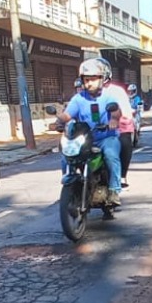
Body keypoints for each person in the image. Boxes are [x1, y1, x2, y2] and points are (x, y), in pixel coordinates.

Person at [56, 58, 123, 207]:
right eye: (86, 80)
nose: (89, 83)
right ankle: (71, 185)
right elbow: (68, 115)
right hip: (84, 139)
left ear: (102, 79)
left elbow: (116, 111)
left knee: (111, 155)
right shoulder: (78, 99)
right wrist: (59, 120)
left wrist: (113, 120)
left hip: (106, 137)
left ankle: (114, 190)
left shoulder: (108, 97)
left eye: (93, 79)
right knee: (66, 157)